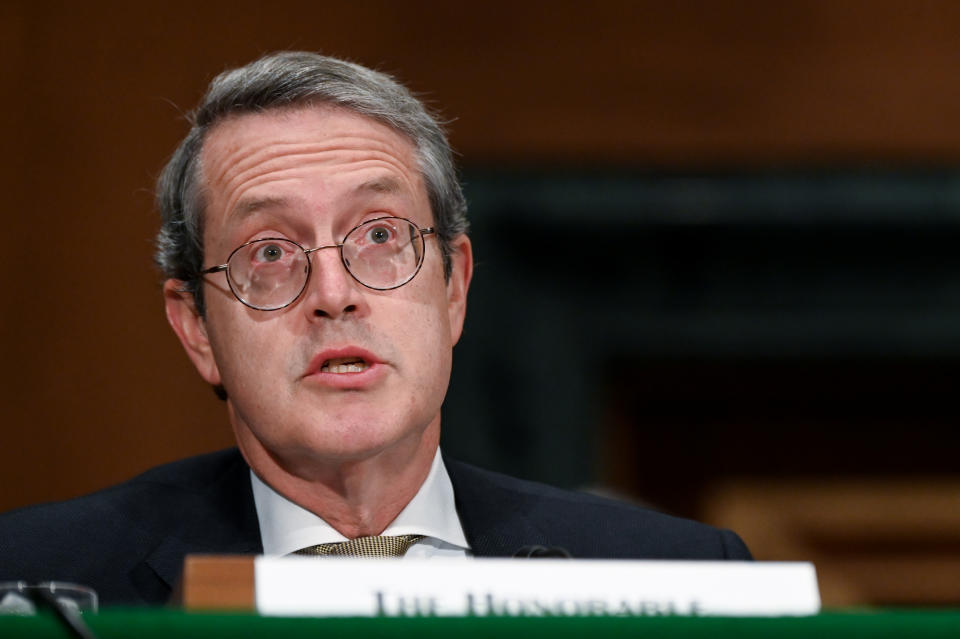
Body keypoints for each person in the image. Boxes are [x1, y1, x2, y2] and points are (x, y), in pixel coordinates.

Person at [0, 52, 751, 606]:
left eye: (381, 237)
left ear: (454, 286)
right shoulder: (35, 581)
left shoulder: (678, 579)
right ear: (196, 325)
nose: (334, 294)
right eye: (269, 252)